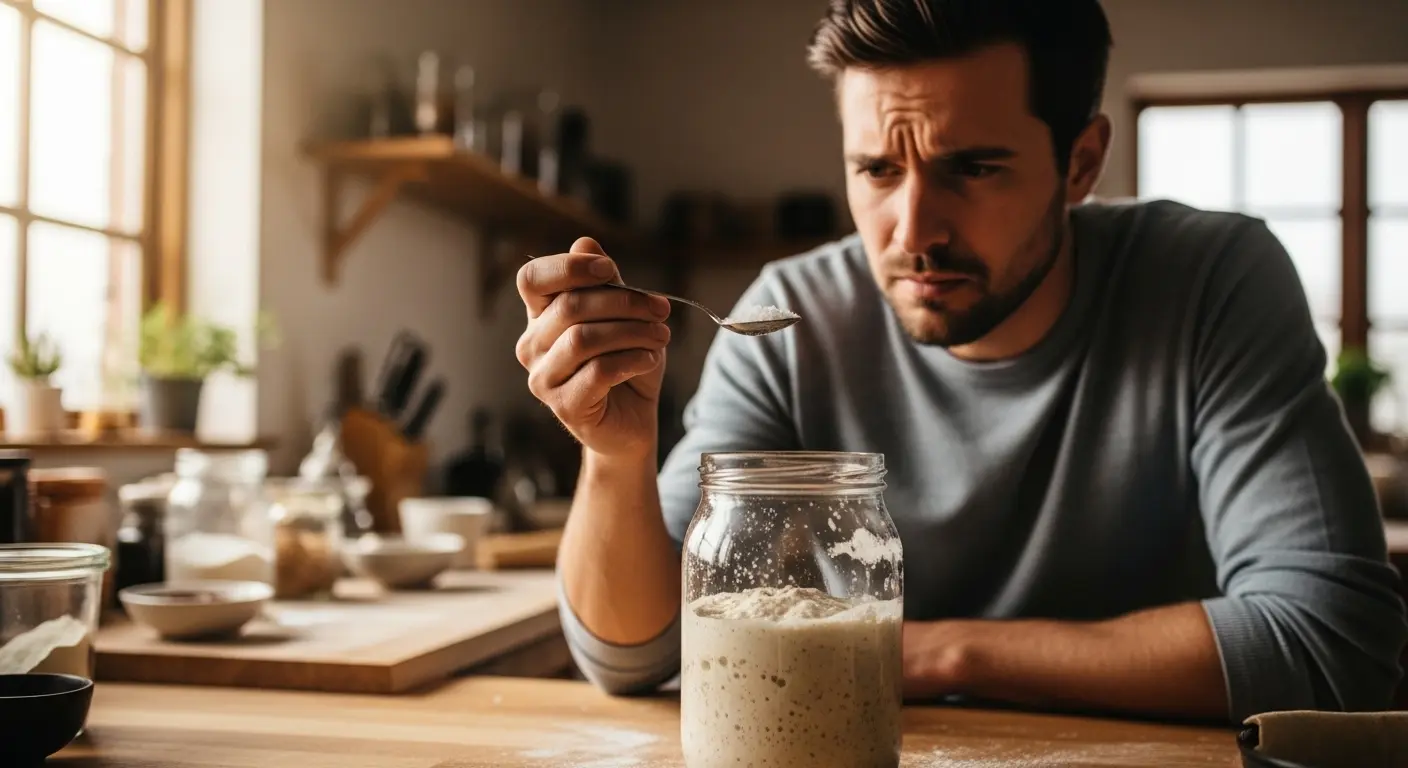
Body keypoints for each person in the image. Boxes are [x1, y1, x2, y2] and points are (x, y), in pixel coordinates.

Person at [513, 0, 1408, 724]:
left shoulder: (1211, 283)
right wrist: (614, 453)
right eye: (875, 170)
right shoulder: (790, 322)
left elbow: (1332, 645)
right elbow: (634, 655)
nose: (913, 232)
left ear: (1081, 163)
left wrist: (934, 652)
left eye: (972, 169)